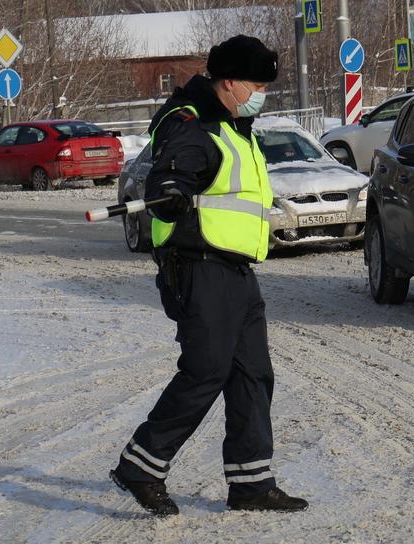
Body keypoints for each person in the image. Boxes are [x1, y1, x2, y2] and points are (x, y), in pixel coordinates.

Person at [108, 34, 308, 517]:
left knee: (252, 374)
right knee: (205, 372)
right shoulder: (193, 123)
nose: (262, 94)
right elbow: (171, 174)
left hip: (236, 269)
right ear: (230, 82)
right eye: (257, 85)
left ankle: (251, 483)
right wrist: (174, 190)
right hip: (198, 266)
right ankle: (141, 464)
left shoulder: (235, 125)